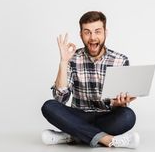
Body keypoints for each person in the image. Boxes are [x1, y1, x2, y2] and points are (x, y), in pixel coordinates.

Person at [41, 11, 140, 149]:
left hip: (106, 116)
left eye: (97, 31)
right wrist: (63, 62)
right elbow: (60, 100)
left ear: (105, 32)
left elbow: (119, 104)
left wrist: (119, 103)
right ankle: (108, 140)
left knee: (128, 116)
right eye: (87, 32)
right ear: (81, 34)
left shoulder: (120, 60)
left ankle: (72, 135)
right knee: (49, 106)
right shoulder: (72, 58)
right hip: (78, 115)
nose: (93, 37)